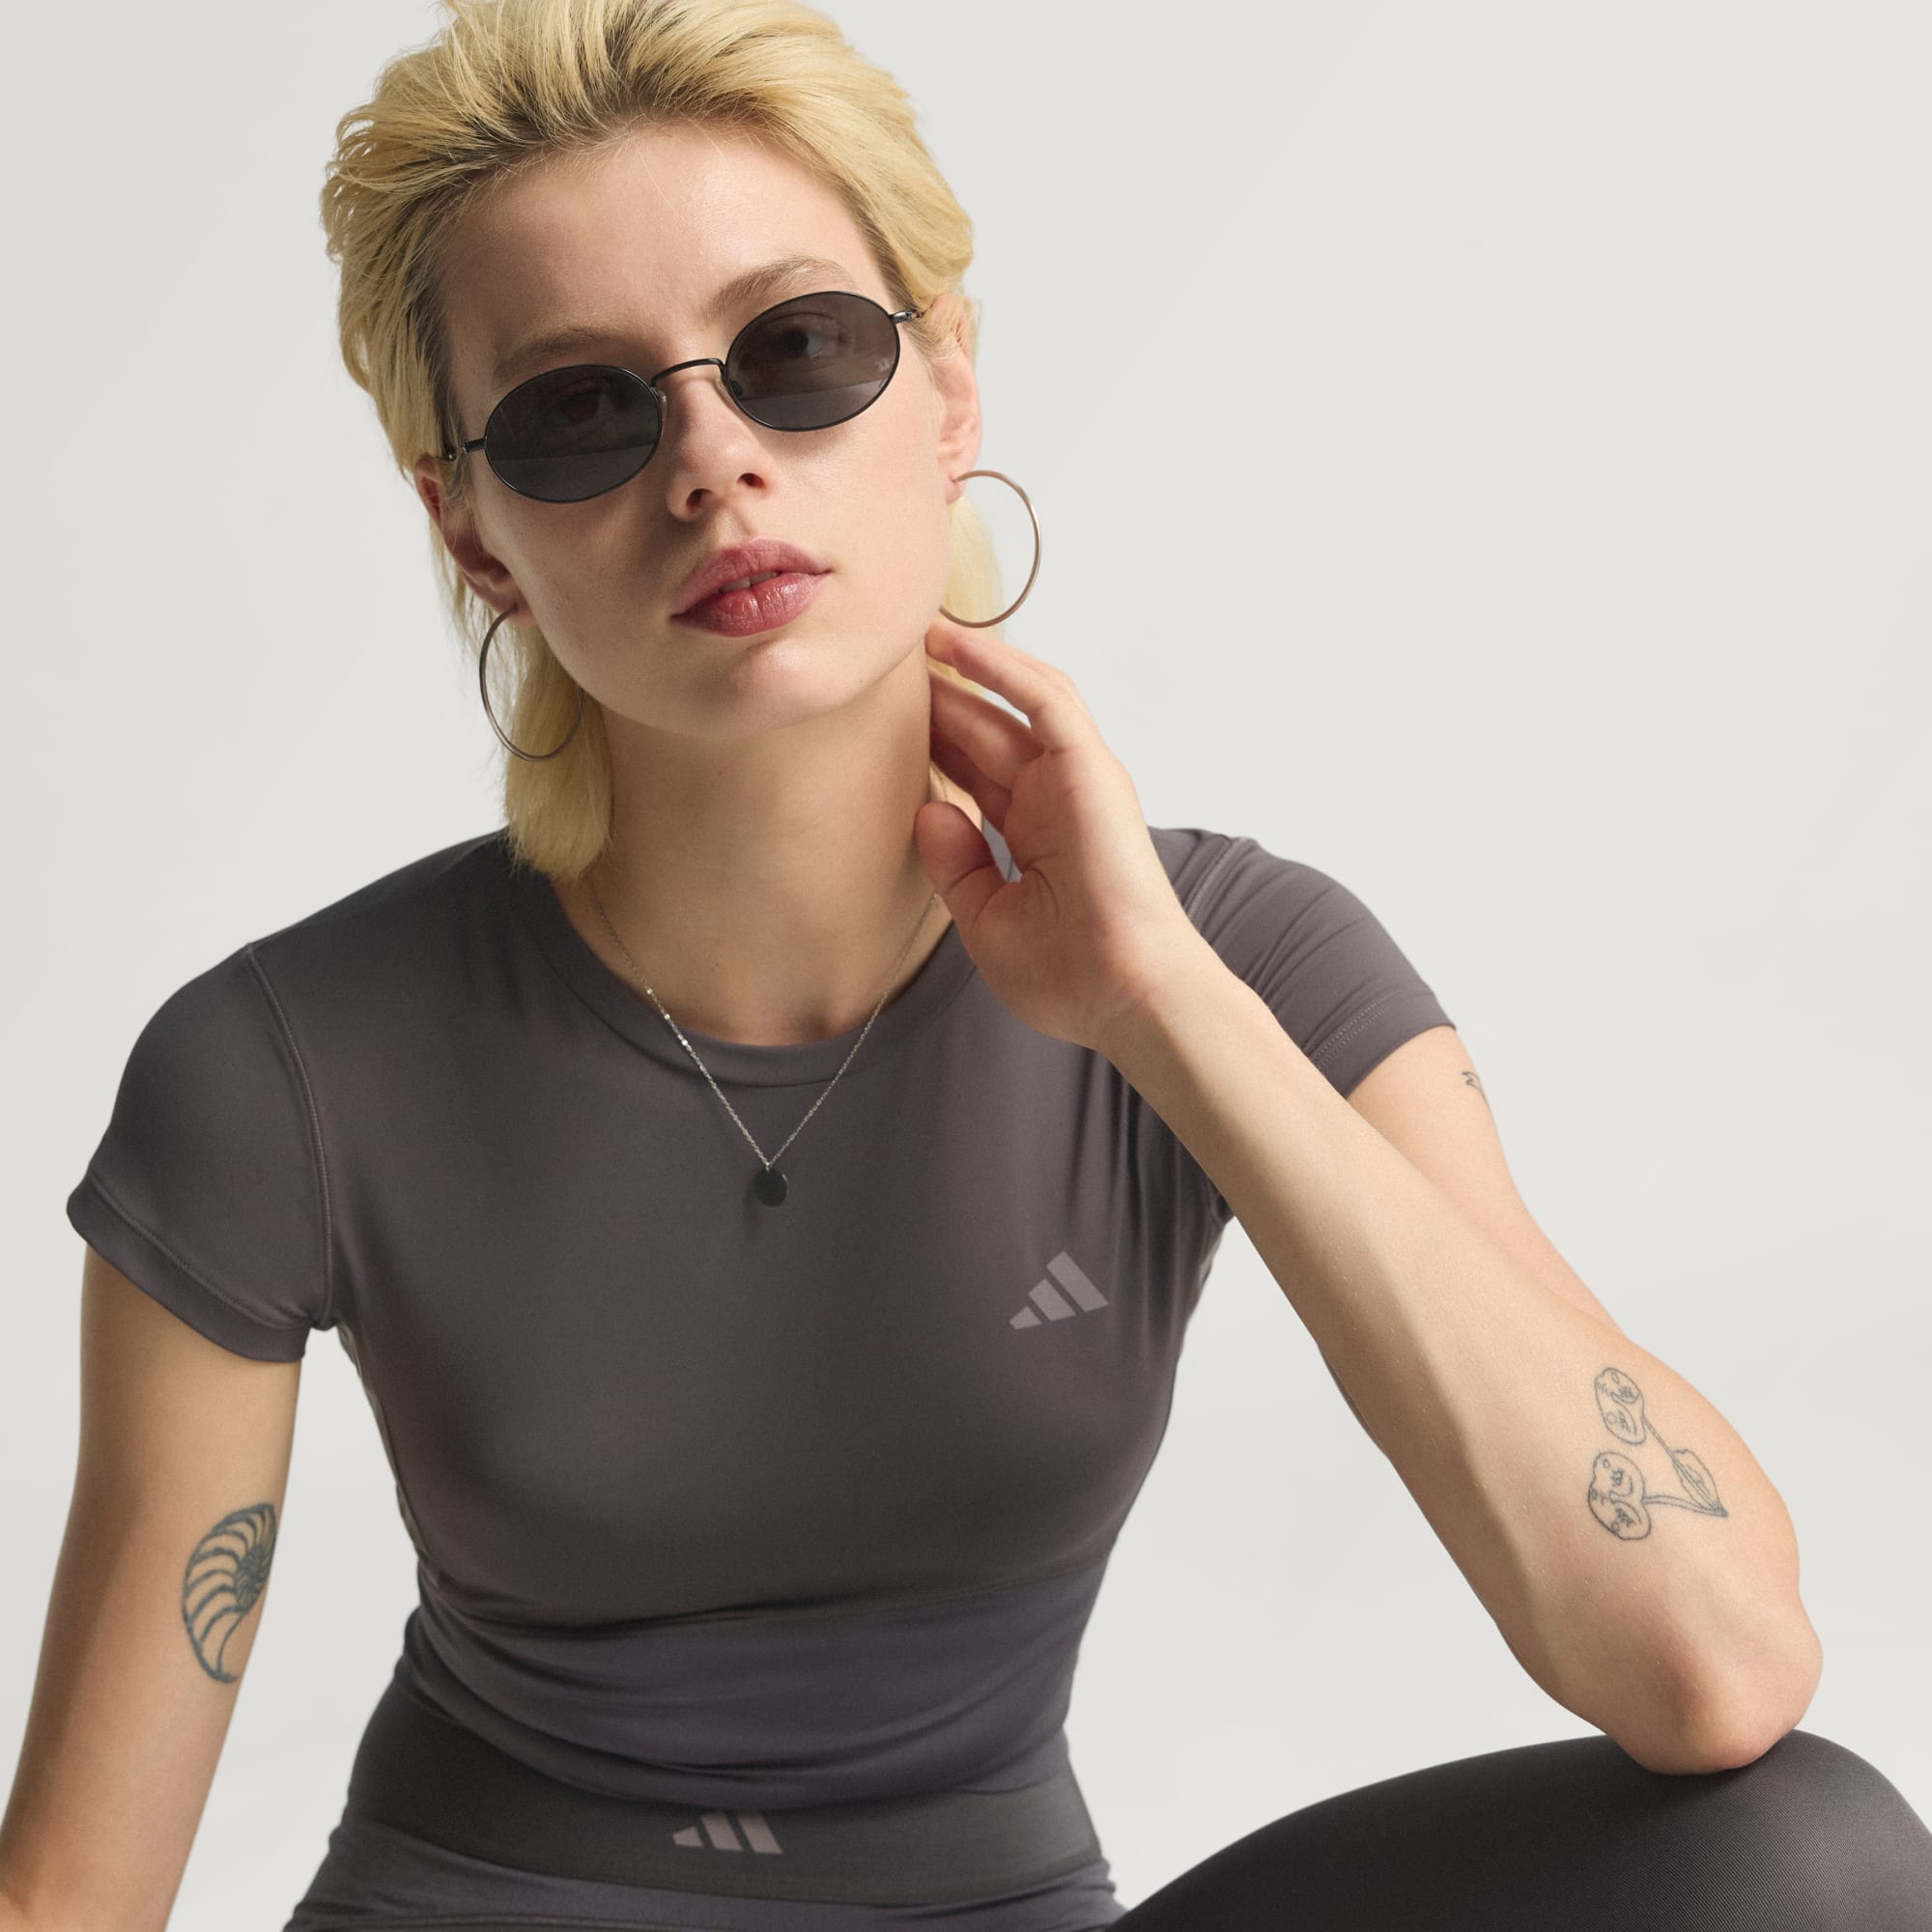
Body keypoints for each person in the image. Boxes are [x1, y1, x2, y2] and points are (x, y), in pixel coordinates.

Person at [8, 2, 1931, 1928]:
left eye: (797, 352)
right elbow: (74, 1896)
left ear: (946, 394)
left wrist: (1159, 1007)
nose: (713, 463)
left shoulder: (1236, 963)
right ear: (476, 533)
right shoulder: (285, 1070)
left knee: (1805, 1860)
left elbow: (1713, 1667)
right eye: (580, 411)